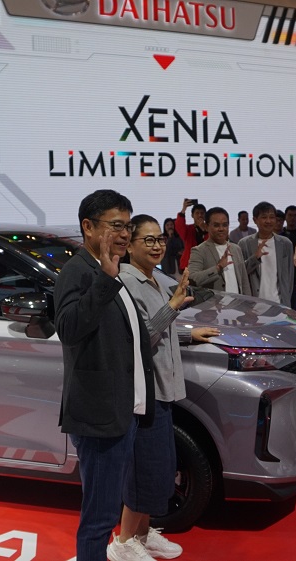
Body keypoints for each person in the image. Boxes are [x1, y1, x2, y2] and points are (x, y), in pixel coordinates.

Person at [54, 189, 156, 561]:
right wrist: (105, 279)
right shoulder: (79, 271)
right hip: (98, 417)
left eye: (128, 226)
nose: (125, 233)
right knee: (99, 516)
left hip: (121, 411)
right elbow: (68, 328)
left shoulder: (109, 268)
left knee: (106, 509)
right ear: (88, 226)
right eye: (116, 225)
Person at [117, 215, 219, 561]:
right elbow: (139, 338)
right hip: (146, 393)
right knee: (144, 470)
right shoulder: (127, 284)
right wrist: (173, 305)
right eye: (147, 240)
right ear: (129, 246)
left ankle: (143, 535)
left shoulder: (154, 278)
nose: (157, 245)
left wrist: (189, 334)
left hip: (164, 389)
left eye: (159, 238)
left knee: (161, 467)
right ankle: (123, 543)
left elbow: (160, 329)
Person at [239, 202, 295, 307]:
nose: (268, 221)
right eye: (264, 217)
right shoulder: (244, 243)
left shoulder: (286, 243)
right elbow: (240, 274)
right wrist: (255, 258)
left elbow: (289, 276)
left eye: (272, 217)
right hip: (254, 305)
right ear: (255, 220)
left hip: (280, 304)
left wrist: (286, 300)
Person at [187, 207, 252, 295]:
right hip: (214, 303)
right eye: (216, 225)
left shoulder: (236, 248)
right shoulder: (199, 251)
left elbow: (244, 282)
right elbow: (192, 279)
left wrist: (248, 301)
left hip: (238, 302)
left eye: (225, 225)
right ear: (206, 226)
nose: (221, 229)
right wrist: (218, 268)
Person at [174, 199, 207, 272]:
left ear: (205, 215)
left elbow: (212, 243)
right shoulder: (188, 229)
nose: (200, 215)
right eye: (197, 213)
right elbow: (179, 226)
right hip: (189, 265)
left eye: (202, 213)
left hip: (205, 264)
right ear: (192, 215)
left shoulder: (210, 229)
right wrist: (184, 209)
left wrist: (204, 230)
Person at [282, 205, 296, 312]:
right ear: (285, 217)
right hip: (285, 274)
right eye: (290, 215)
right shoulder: (280, 235)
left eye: (295, 215)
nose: (292, 218)